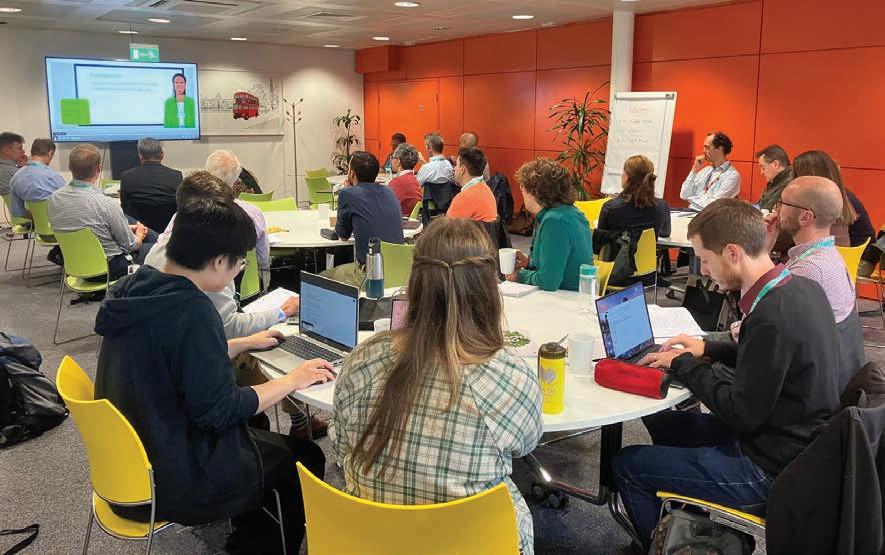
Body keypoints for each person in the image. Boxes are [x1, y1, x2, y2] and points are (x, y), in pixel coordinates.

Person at [94, 196, 335, 555]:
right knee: (305, 458)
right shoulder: (193, 311)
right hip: (171, 475)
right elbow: (219, 411)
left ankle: (248, 525)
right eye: (240, 263)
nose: (239, 271)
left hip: (128, 463)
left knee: (257, 428)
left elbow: (168, 359)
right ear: (220, 261)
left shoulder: (137, 288)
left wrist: (239, 344)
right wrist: (291, 380)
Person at [612, 198, 840, 550]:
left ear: (733, 253)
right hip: (794, 446)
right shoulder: (799, 288)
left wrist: (683, 365)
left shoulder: (770, 315)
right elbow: (768, 359)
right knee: (666, 423)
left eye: (705, 259)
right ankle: (689, 523)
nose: (703, 271)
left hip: (768, 469)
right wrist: (707, 348)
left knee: (628, 464)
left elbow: (740, 412)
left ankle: (665, 546)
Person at [331, 217, 542, 555]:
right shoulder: (509, 377)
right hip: (473, 544)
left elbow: (341, 448)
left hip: (370, 541)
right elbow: (526, 445)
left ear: (415, 284)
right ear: (489, 289)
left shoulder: (363, 360)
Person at [763, 176, 864, 389]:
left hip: (806, 389)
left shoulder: (809, 270)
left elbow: (763, 326)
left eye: (782, 203)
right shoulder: (828, 255)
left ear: (805, 217)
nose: (776, 209)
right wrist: (766, 248)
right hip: (826, 376)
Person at [48, 144, 156, 281]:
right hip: (109, 270)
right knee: (160, 249)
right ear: (98, 169)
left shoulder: (54, 199)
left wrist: (127, 228)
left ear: (70, 167)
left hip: (74, 266)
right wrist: (139, 234)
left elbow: (85, 228)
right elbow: (131, 246)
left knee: (142, 231)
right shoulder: (106, 203)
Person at [505, 157, 593, 291]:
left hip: (564, 298)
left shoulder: (554, 222)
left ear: (535, 192)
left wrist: (520, 275)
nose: (521, 191)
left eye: (522, 187)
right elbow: (560, 261)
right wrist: (529, 262)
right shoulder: (572, 213)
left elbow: (548, 282)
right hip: (575, 295)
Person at [321, 151, 404, 287]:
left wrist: (347, 191)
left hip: (370, 276)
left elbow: (343, 235)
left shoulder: (348, 193)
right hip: (399, 272)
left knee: (320, 278)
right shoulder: (389, 191)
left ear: (352, 174)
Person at [792, 150, 874, 248]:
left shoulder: (812, 203)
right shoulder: (845, 197)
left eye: (797, 176)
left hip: (824, 254)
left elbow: (786, 238)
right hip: (847, 255)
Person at [205, 150, 270, 270]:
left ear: (207, 175)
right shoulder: (252, 213)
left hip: (200, 278)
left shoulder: (188, 213)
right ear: (236, 178)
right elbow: (263, 259)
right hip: (245, 277)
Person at [597, 154, 671, 238]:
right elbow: (666, 233)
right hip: (648, 247)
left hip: (618, 247)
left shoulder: (610, 207)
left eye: (623, 172)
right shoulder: (662, 206)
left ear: (628, 176)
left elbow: (600, 239)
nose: (621, 175)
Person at [119, 138, 183, 232]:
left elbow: (124, 208)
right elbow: (180, 208)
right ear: (162, 155)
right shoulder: (177, 176)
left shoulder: (127, 176)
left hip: (139, 233)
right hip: (167, 233)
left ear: (140, 156)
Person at [679, 131, 740, 211]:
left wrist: (692, 199)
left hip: (711, 216)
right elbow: (684, 195)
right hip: (691, 212)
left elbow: (714, 205)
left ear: (720, 149)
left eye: (707, 147)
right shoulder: (706, 170)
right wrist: (694, 170)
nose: (703, 151)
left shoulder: (732, 175)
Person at [9, 138, 65, 219]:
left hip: (38, 225)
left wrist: (38, 217)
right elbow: (68, 205)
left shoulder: (15, 178)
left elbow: (17, 212)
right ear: (50, 153)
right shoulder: (54, 177)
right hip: (59, 224)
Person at [447, 147, 498, 223]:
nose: (454, 168)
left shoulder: (462, 199)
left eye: (456, 165)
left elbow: (447, 228)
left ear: (462, 169)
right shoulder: (487, 190)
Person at [387, 142, 422, 216]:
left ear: (398, 162)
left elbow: (385, 206)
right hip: (410, 219)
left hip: (399, 219)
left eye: (392, 157)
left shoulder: (397, 182)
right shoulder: (415, 180)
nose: (391, 160)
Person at [755, 144, 792, 211]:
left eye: (763, 167)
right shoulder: (775, 180)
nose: (761, 172)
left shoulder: (788, 184)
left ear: (775, 164)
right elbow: (760, 205)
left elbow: (766, 210)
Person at [0, 132, 25, 197]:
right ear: (6, 150)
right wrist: (25, 168)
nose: (23, 151)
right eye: (20, 148)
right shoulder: (11, 171)